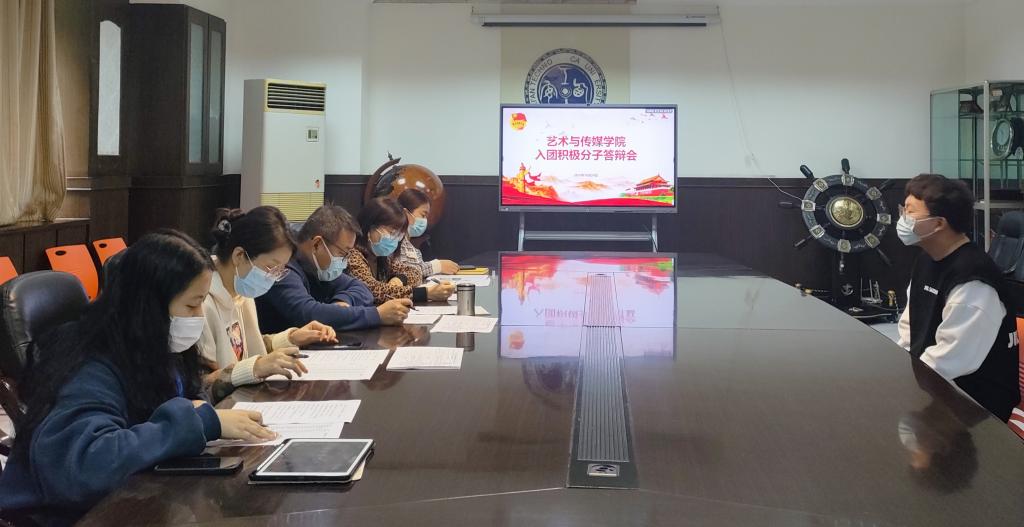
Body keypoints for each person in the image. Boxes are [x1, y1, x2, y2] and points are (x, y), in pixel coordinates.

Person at [0, 231, 276, 522]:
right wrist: (198, 421)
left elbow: (180, 398)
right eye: (191, 305)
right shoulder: (89, 365)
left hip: (134, 500)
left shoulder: (150, 348)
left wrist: (198, 407)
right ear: (149, 306)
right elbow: (86, 466)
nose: (198, 316)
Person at [896, 173, 1020, 421]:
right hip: (936, 388)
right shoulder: (926, 260)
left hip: (977, 408)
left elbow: (951, 360)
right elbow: (910, 328)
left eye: (910, 212)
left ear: (938, 223)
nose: (902, 219)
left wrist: (903, 388)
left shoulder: (973, 280)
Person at [199, 206, 337, 388]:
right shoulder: (199, 301)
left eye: (280, 270)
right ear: (239, 255)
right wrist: (254, 368)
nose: (273, 277)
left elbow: (243, 349)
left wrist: (292, 338)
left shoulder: (240, 290)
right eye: (271, 267)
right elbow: (201, 385)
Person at [256, 204, 412, 333]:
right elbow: (307, 313)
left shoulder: (319, 267)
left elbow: (362, 289)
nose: (344, 261)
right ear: (317, 244)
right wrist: (376, 315)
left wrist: (341, 302)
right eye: (342, 253)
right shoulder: (283, 267)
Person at [346, 197, 454, 304]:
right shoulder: (353, 256)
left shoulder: (382, 257)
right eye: (391, 233)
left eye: (398, 235)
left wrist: (400, 279)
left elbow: (415, 272)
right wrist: (425, 293)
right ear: (369, 228)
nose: (394, 240)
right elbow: (373, 291)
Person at [396, 188, 459, 276]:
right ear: (406, 213)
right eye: (423, 215)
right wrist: (437, 266)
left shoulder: (409, 245)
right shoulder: (394, 242)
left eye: (426, 217)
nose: (425, 221)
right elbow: (405, 273)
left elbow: (415, 270)